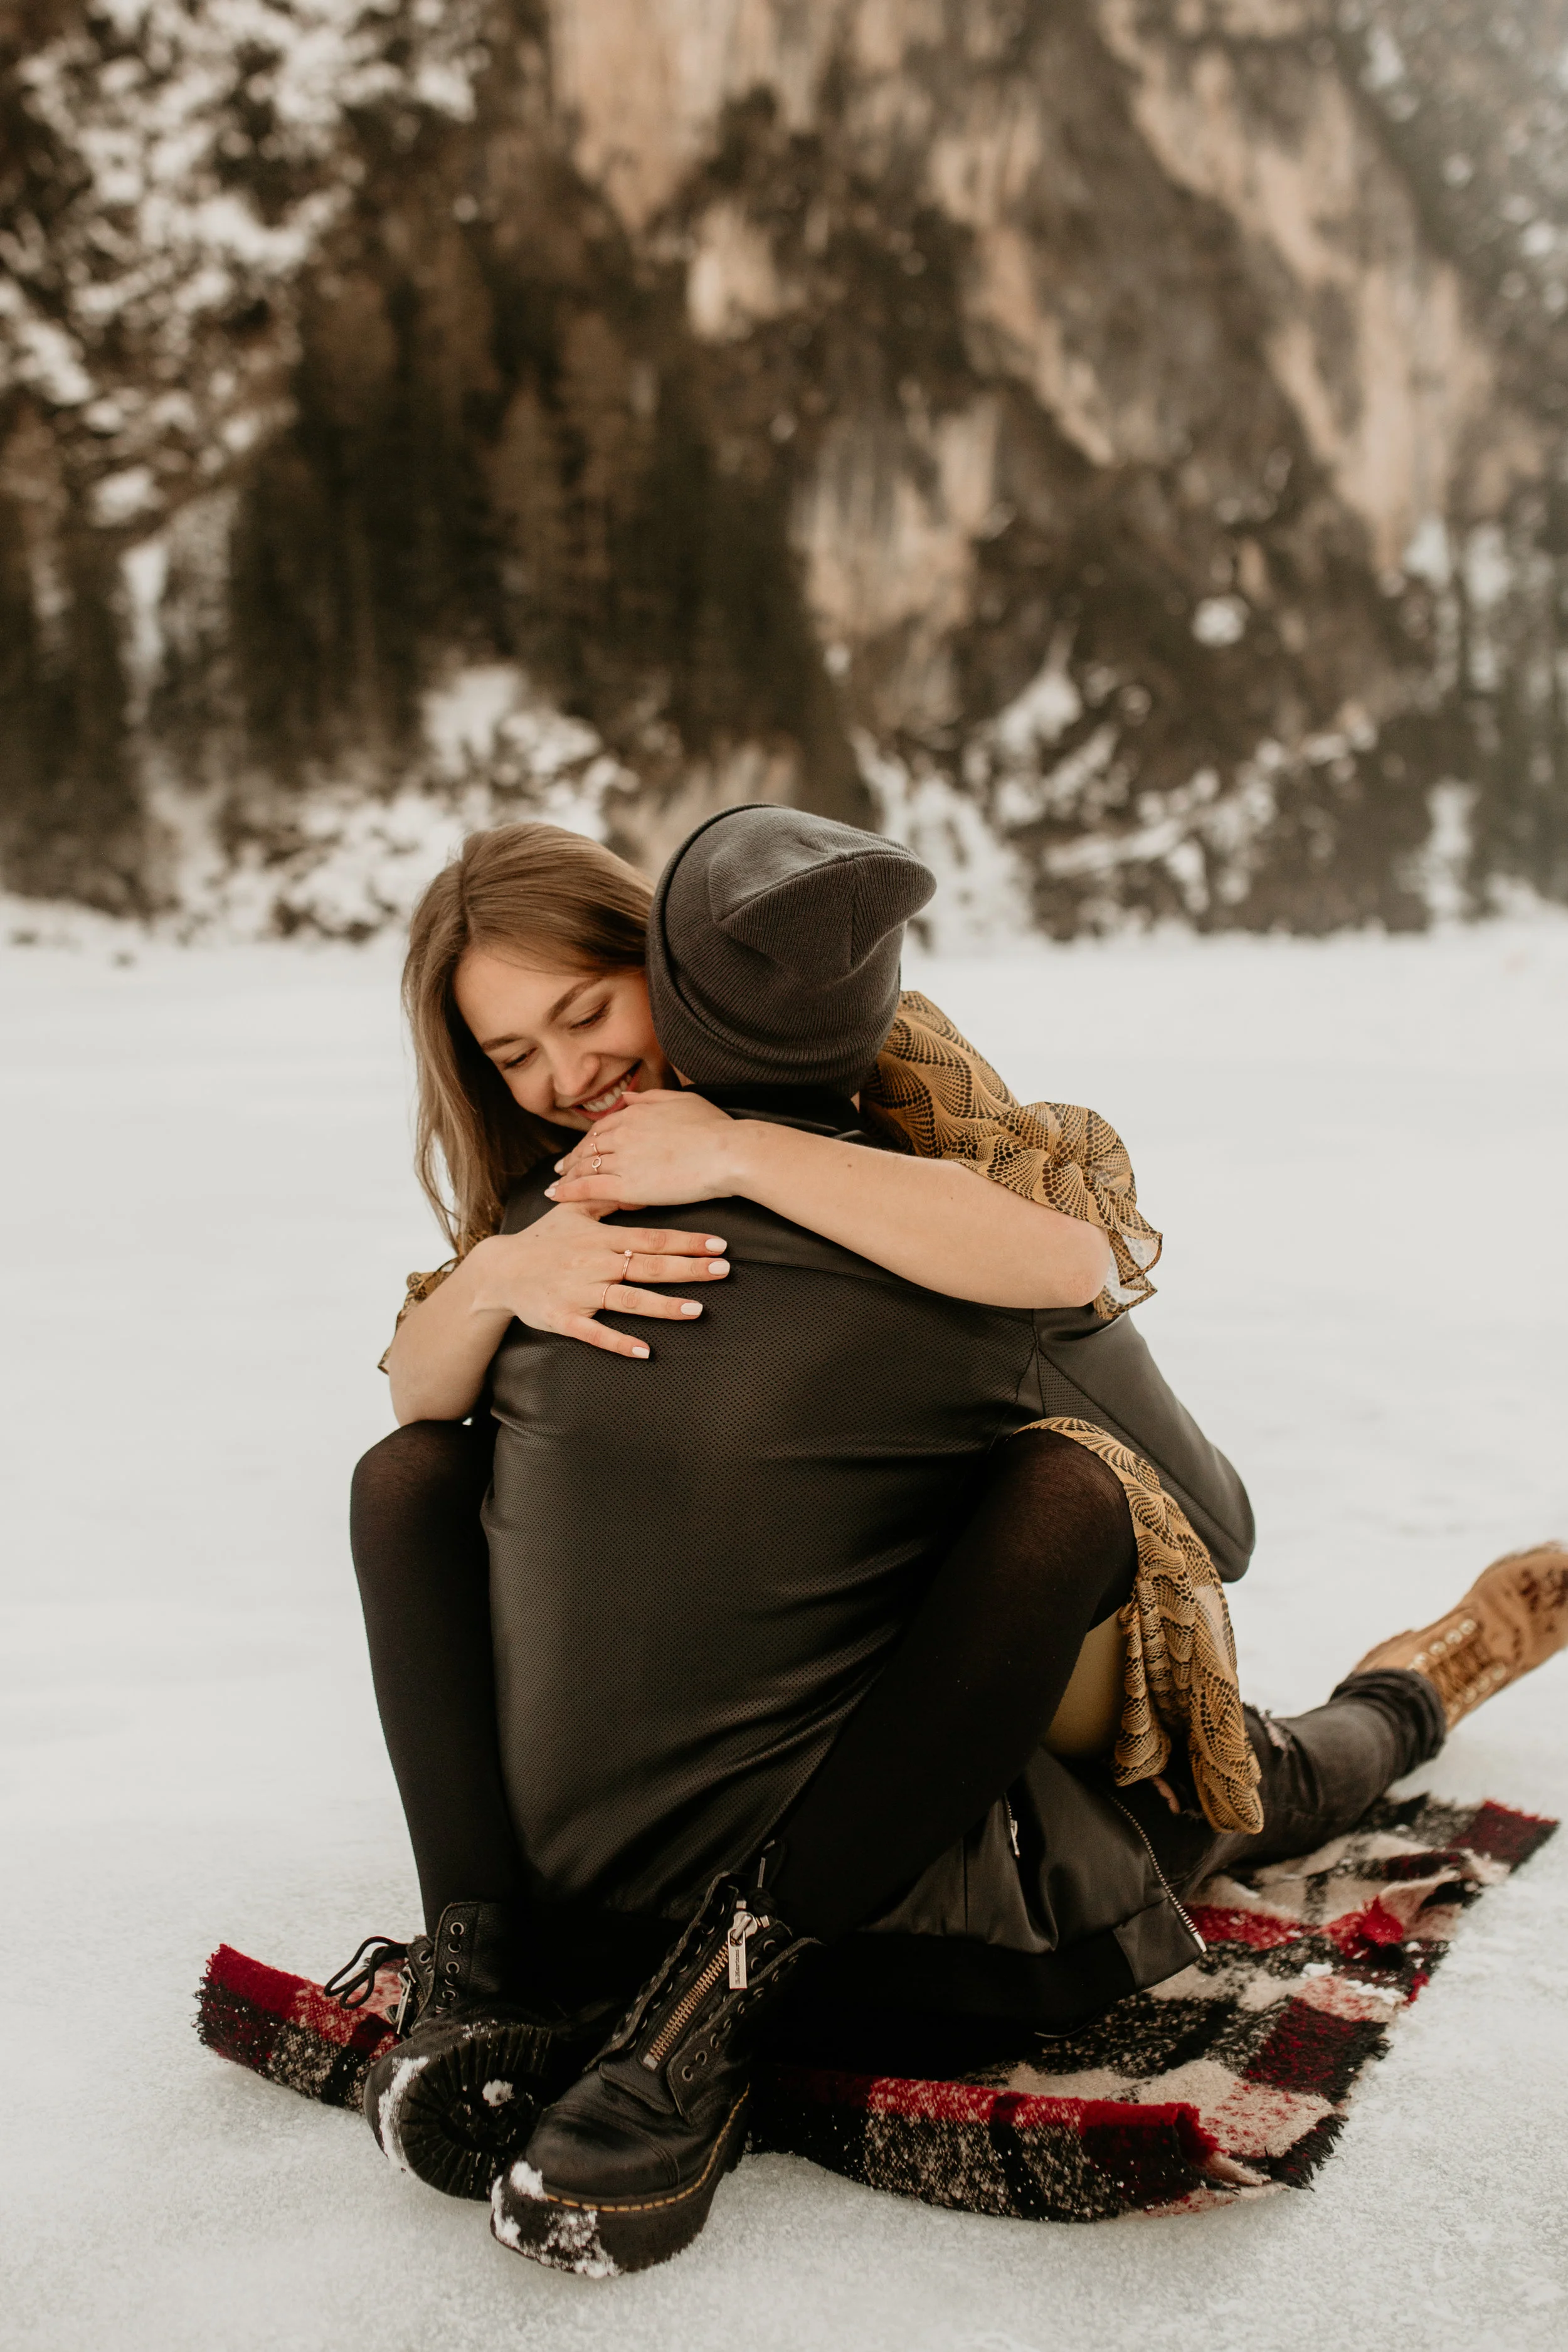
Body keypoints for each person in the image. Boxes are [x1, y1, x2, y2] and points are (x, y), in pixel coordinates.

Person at [339, 808, 1568, 2275]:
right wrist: (504, 1273)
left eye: (584, 1014)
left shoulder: (878, 1200)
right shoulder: (570, 1233)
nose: (565, 1077)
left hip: (798, 1768)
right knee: (1180, 1680)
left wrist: (667, 1188)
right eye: (512, 1056)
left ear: (665, 964)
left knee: (410, 1470)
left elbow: (420, 1424)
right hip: (886, 1926)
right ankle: (1403, 1696)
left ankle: (1409, 1684)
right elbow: (1208, 1517)